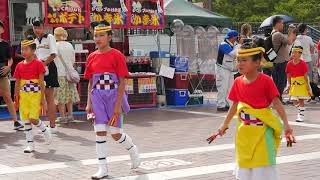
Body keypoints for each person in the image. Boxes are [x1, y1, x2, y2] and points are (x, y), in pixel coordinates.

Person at [216, 41, 294, 180]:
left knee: (262, 168)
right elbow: (235, 105)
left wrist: (286, 124)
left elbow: (276, 103)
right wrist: (224, 124)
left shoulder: (266, 81)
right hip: (244, 134)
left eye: (244, 60)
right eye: (238, 60)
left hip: (263, 134)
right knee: (245, 167)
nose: (239, 64)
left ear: (257, 62)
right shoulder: (238, 81)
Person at [84, 22, 140, 179]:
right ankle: (103, 169)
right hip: (97, 97)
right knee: (99, 132)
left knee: (115, 134)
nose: (98, 38)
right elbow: (90, 82)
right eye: (95, 35)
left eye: (101, 35)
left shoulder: (117, 55)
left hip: (114, 96)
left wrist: (117, 106)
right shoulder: (91, 56)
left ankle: (132, 150)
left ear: (110, 37)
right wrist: (89, 103)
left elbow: (122, 82)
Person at [13, 37, 52, 153]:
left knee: (33, 118)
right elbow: (17, 83)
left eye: (26, 49)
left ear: (33, 50)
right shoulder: (19, 65)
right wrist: (16, 98)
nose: (23, 51)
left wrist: (43, 99)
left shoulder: (38, 64)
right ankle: (30, 145)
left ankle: (45, 130)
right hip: (24, 95)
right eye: (22, 49)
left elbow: (41, 82)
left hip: (35, 94)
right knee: (26, 120)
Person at [32, 19, 59, 133]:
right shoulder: (35, 41)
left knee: (49, 98)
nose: (37, 30)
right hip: (39, 69)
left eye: (39, 27)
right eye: (35, 27)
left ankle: (52, 125)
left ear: (44, 27)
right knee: (40, 97)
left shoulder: (50, 37)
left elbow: (53, 54)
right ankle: (44, 125)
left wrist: (43, 64)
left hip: (49, 68)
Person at [0, 20, 24, 130]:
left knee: (8, 97)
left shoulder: (5, 44)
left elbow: (10, 58)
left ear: (2, 30)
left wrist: (8, 67)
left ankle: (15, 122)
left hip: (2, 74)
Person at [53, 27, 79, 123]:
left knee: (60, 97)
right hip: (70, 74)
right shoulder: (69, 45)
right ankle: (71, 115)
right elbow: (73, 60)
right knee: (69, 96)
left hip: (59, 73)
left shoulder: (55, 45)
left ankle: (63, 116)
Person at [271, 16, 295, 102]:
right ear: (277, 23)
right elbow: (289, 42)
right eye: (282, 23)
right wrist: (291, 32)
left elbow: (286, 42)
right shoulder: (277, 34)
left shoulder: (273, 33)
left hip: (277, 61)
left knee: (278, 81)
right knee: (282, 81)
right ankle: (278, 98)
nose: (283, 25)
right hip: (281, 61)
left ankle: (277, 98)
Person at [285, 46, 311, 122]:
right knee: (294, 100)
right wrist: (289, 84)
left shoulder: (303, 64)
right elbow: (288, 74)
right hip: (293, 83)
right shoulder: (289, 64)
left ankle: (301, 115)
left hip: (302, 82)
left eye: (295, 52)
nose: (293, 54)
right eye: (292, 52)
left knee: (301, 99)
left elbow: (305, 76)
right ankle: (301, 109)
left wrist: (307, 86)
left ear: (300, 54)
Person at [216, 30, 239, 112]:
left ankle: (228, 104)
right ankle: (220, 105)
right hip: (222, 69)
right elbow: (232, 53)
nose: (238, 38)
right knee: (222, 87)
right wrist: (239, 46)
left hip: (229, 69)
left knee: (230, 87)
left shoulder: (234, 44)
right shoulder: (223, 44)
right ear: (233, 37)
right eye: (237, 37)